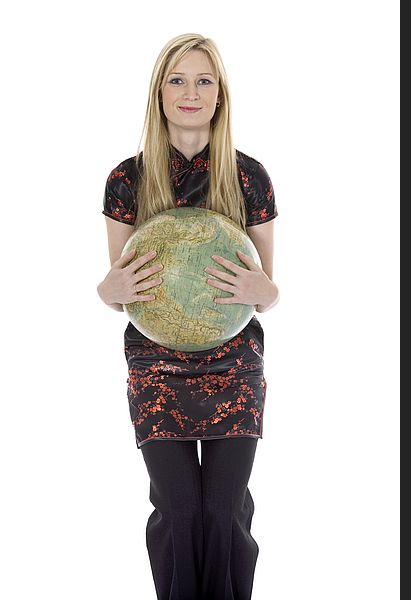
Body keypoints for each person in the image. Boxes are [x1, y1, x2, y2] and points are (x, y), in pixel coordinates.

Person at [97, 33, 280, 600]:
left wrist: (261, 287)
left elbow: (266, 292)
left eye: (204, 80)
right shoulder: (128, 179)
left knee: (223, 513)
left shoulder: (249, 177)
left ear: (220, 95)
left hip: (234, 366)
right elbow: (123, 293)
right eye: (177, 79)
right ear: (159, 93)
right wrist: (107, 287)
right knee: (179, 514)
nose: (191, 92)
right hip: (156, 368)